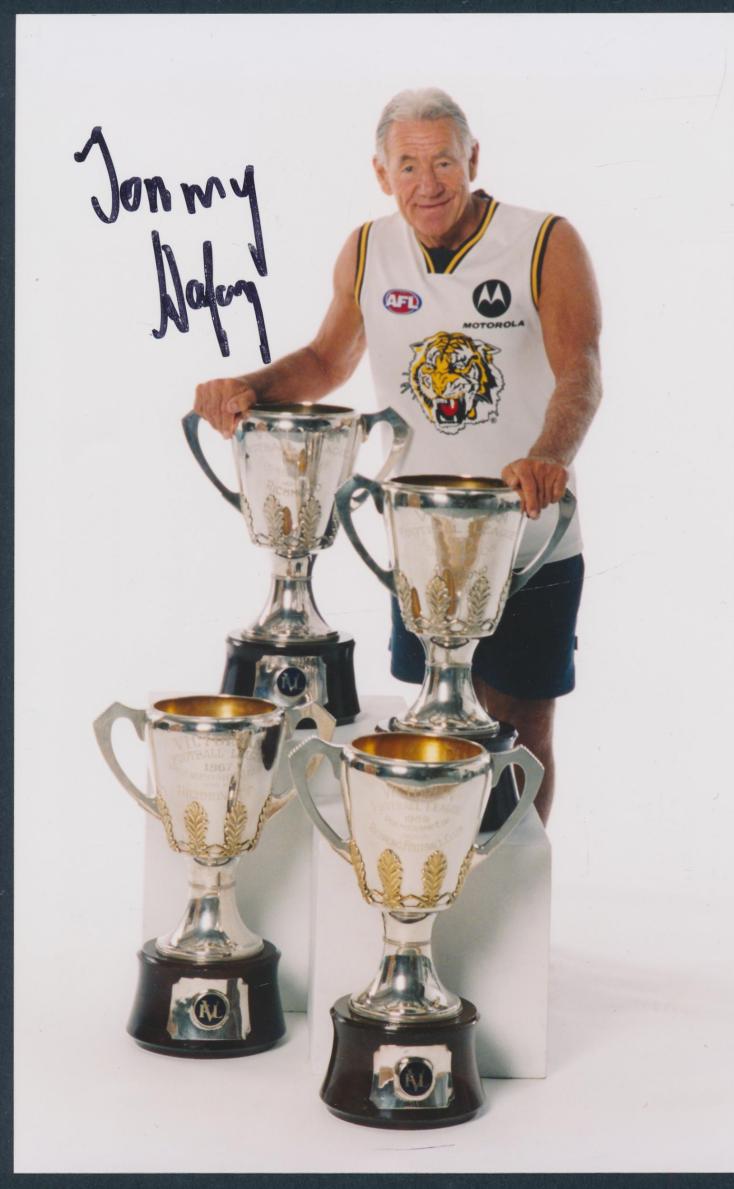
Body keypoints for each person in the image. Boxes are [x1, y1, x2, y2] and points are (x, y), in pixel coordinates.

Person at [194, 88, 602, 826]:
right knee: (438, 726)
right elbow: (327, 360)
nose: (428, 183)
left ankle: (508, 885)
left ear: (473, 159)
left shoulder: (545, 240)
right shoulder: (367, 249)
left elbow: (582, 369)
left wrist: (548, 455)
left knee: (520, 732)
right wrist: (248, 388)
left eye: (443, 161)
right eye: (408, 166)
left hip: (529, 536)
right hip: (424, 543)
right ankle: (435, 879)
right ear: (382, 173)